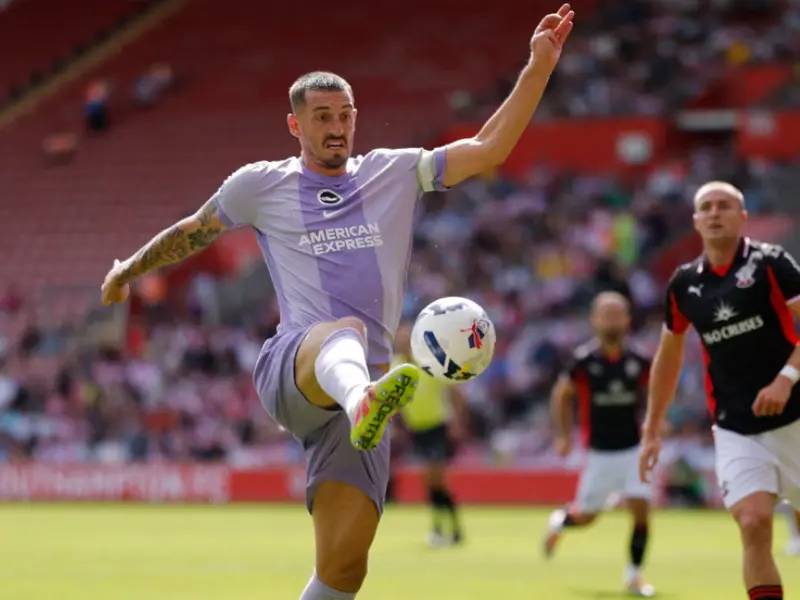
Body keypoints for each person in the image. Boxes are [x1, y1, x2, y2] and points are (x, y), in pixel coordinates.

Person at [100, 6, 575, 599]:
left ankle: (362, 401)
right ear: (294, 124)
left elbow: (488, 147)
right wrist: (128, 269)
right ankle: (361, 399)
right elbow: (194, 231)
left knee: (344, 569)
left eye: (345, 115)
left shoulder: (394, 172)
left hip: (364, 393)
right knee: (341, 329)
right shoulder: (260, 184)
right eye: (322, 116)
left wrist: (538, 66)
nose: (337, 127)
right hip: (297, 367)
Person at [639, 181, 800, 600]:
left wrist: (786, 378)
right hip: (736, 427)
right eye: (706, 207)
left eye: (724, 206)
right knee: (753, 522)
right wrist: (652, 428)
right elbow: (669, 356)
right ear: (695, 221)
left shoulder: (771, 263)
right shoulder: (683, 285)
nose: (714, 213)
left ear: (742, 217)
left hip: (797, 416)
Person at [543, 291, 655, 597]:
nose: (612, 321)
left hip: (634, 449)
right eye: (606, 315)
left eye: (617, 315)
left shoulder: (639, 361)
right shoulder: (583, 361)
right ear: (594, 320)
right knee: (587, 517)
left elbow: (655, 392)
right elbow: (561, 395)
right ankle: (560, 522)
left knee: (641, 509)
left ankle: (634, 576)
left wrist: (657, 421)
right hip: (599, 452)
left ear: (627, 319)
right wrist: (564, 435)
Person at [393, 321, 468, 547]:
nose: (404, 343)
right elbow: (394, 399)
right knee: (430, 481)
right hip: (417, 429)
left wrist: (457, 422)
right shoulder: (396, 365)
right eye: (401, 339)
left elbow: (455, 392)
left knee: (436, 478)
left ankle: (447, 529)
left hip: (437, 425)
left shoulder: (429, 363)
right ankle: (445, 528)